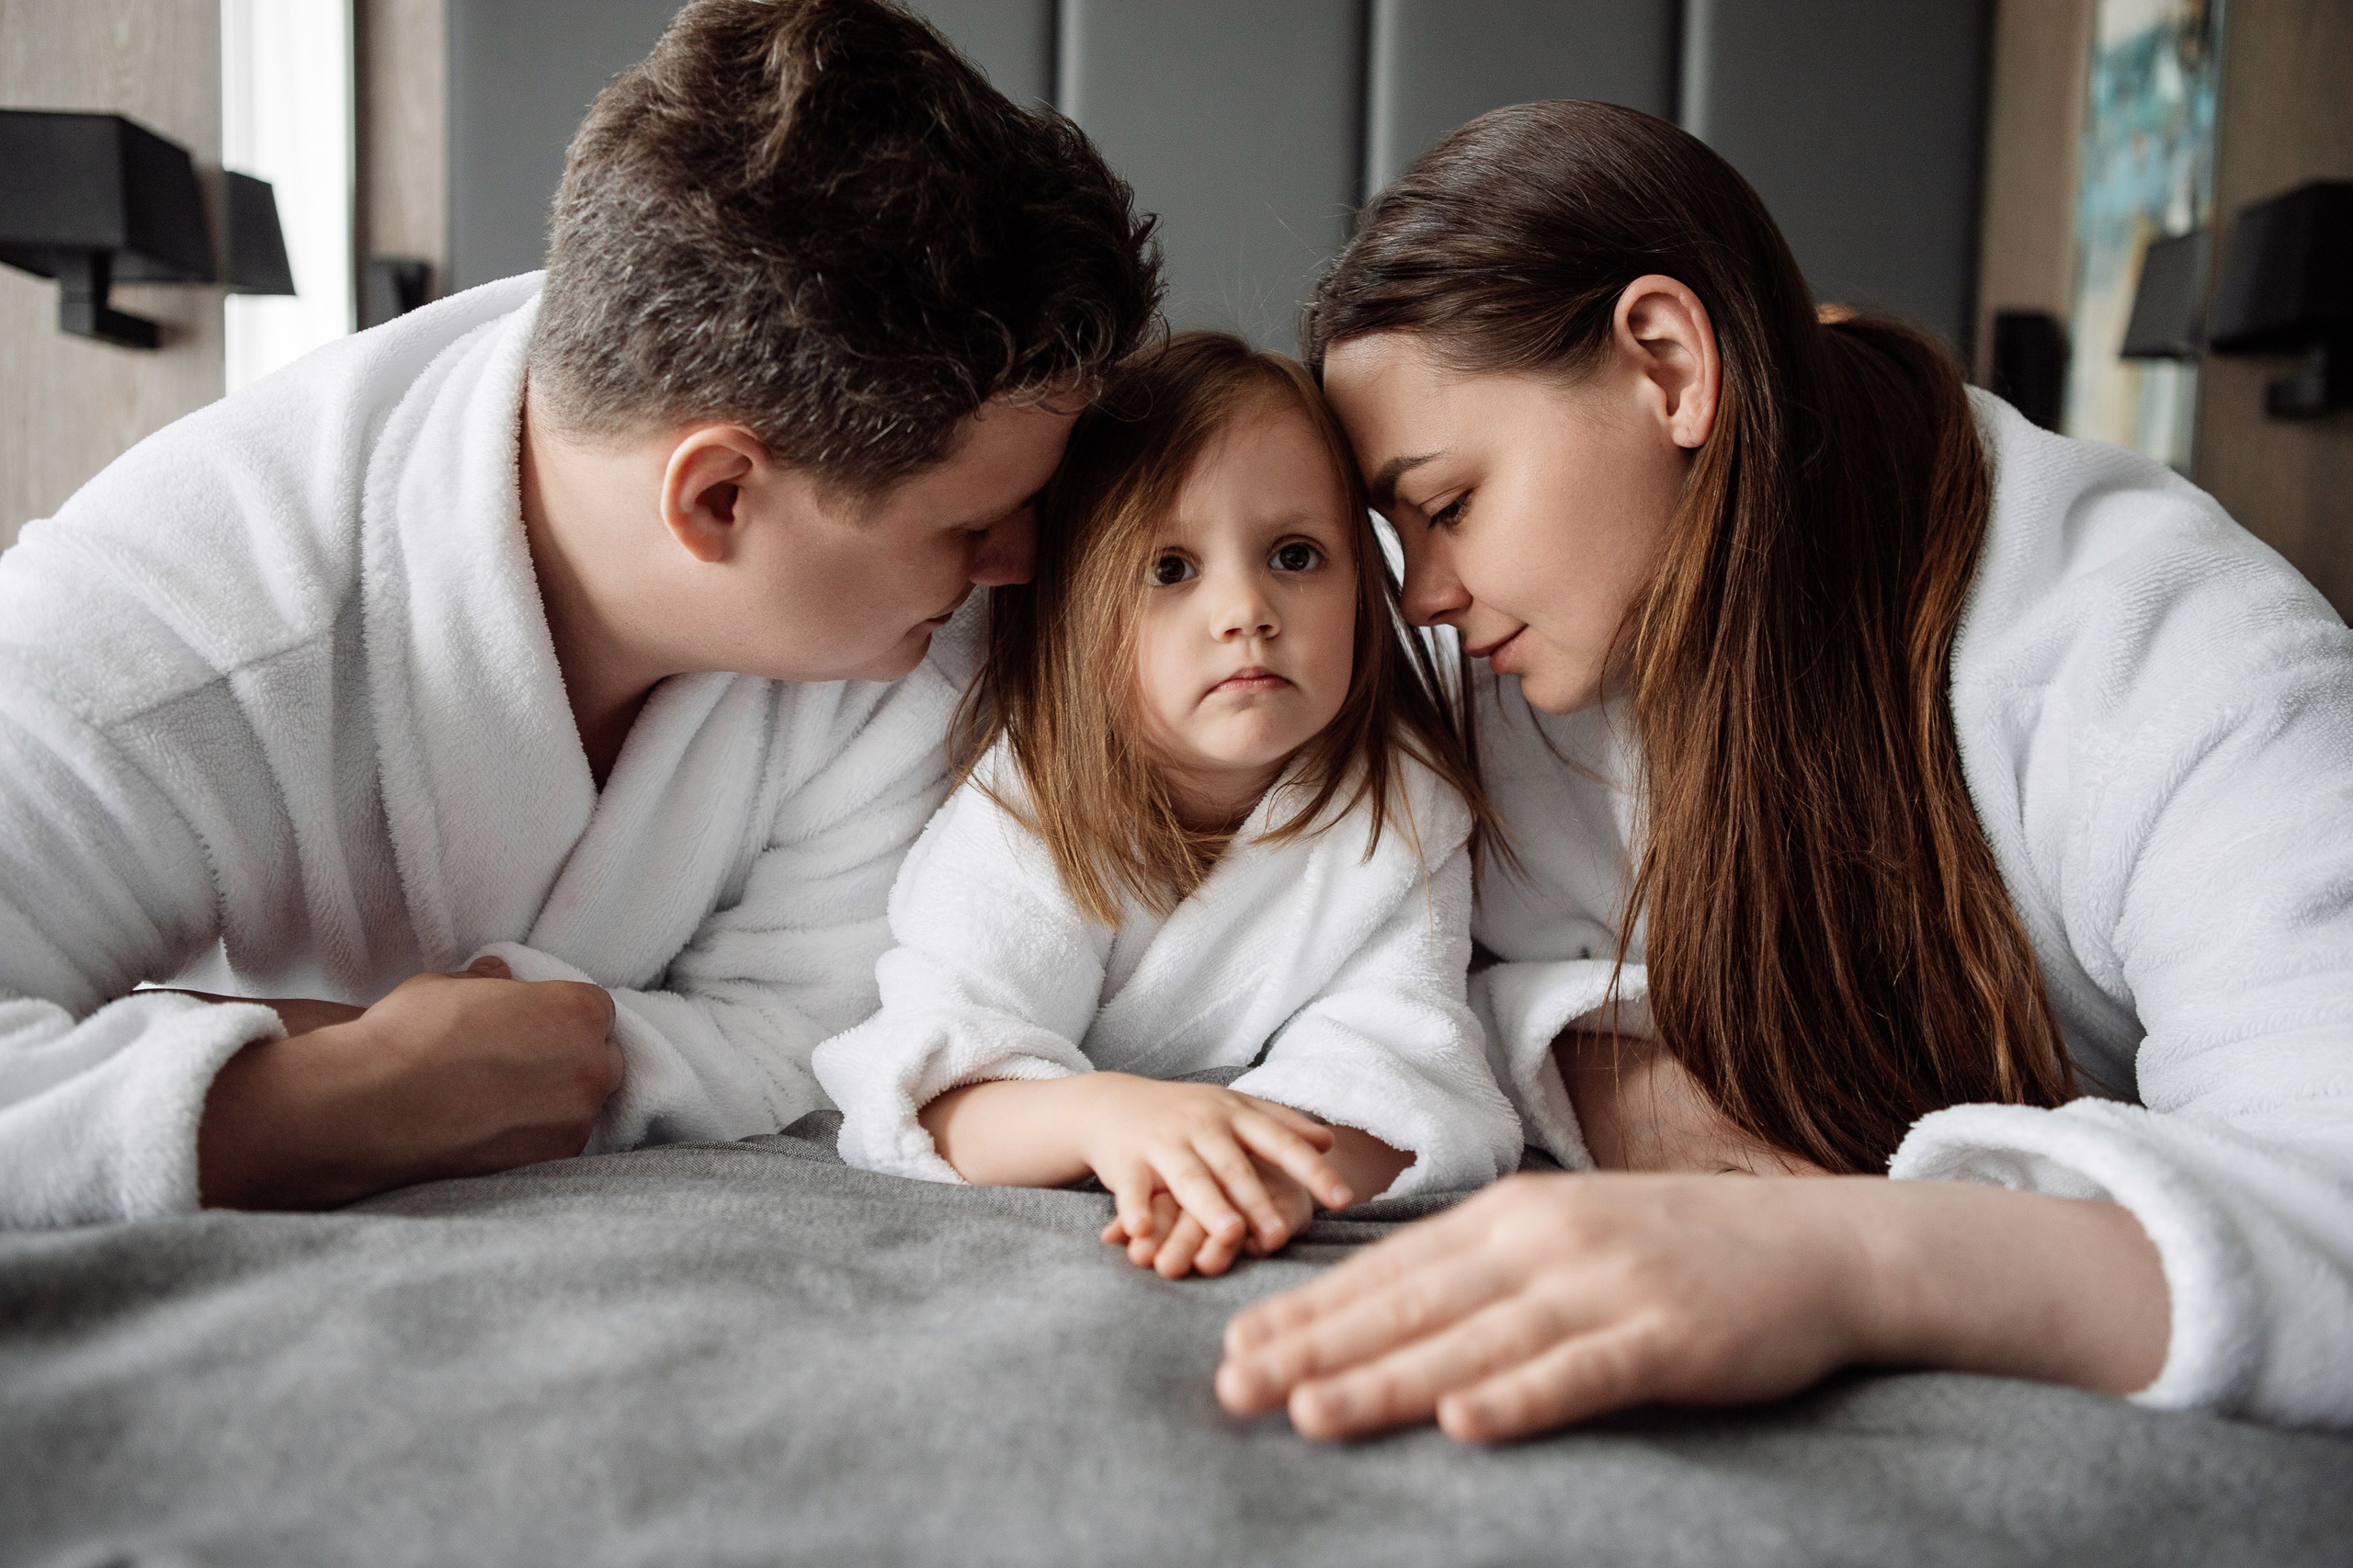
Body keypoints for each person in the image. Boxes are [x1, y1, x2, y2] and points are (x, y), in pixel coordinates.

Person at [1214, 101, 2353, 1437]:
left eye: (1451, 503)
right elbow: (1400, 971)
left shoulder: (2163, 649)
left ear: (1666, 365)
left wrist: (1839, 1252)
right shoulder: (1526, 646)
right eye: (1401, 533)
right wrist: (1633, 1084)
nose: (1427, 596)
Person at [0, 0, 1158, 1228]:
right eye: (968, 526)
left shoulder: (911, 648)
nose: (1023, 562)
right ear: (717, 498)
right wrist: (335, 1100)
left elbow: (807, 1026)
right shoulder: (175, 623)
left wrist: (545, 1058)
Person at [812, 333, 1522, 1279]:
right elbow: (931, 1088)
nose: (1245, 609)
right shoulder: (1025, 808)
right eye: (1170, 569)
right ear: (1072, 605)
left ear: (1365, 590)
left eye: (1296, 554)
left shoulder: (1397, 808)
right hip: (1091, 1133)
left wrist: (1276, 1172)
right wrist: (1110, 1117)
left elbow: (1402, 1061)